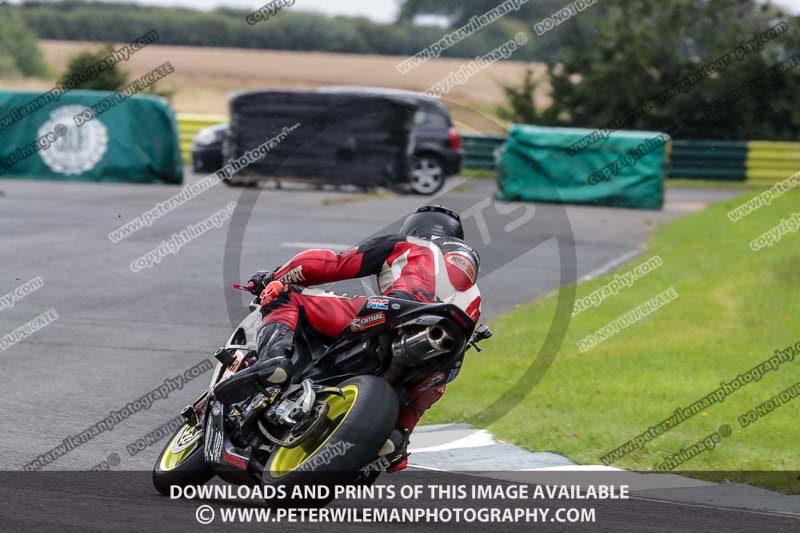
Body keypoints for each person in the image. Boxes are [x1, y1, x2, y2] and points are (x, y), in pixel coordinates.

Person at [245, 205, 481, 471]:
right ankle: (397, 439)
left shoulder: (409, 244)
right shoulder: (474, 292)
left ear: (415, 229)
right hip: (445, 357)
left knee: (287, 297)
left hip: (397, 311)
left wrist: (274, 277)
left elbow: (329, 264)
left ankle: (274, 359)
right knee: (429, 387)